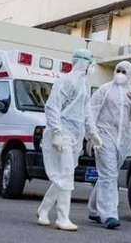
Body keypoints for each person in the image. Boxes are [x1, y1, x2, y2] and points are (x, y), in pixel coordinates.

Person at [35, 48, 97, 231]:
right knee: (67, 173)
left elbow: (87, 111)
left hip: (76, 135)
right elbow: (52, 107)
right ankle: (63, 218)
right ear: (84, 63)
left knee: (64, 174)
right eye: (91, 64)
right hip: (63, 132)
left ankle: (43, 209)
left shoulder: (84, 84)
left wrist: (93, 133)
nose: (92, 67)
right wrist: (56, 132)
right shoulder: (66, 81)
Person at [86, 60, 131, 229]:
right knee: (109, 175)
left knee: (109, 174)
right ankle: (109, 215)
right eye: (118, 70)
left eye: (124, 71)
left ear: (130, 74)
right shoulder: (104, 89)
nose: (120, 74)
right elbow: (91, 111)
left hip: (122, 141)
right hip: (103, 136)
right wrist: (91, 135)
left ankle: (94, 209)